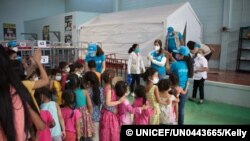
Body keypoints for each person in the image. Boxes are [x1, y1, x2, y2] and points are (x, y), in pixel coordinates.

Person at [0, 44, 45, 141]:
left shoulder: (18, 87)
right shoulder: (18, 90)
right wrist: (37, 62)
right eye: (13, 57)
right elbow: (40, 125)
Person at [166, 46, 193, 125]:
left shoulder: (175, 65)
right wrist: (172, 58)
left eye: (178, 53)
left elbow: (168, 70)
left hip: (174, 89)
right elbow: (178, 65)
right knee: (181, 109)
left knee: (171, 107)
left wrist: (167, 59)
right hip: (183, 89)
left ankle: (170, 121)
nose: (176, 54)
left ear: (182, 56)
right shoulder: (189, 65)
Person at [100, 69, 126, 141]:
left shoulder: (106, 86)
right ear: (111, 78)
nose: (116, 77)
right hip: (109, 115)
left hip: (108, 113)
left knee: (107, 132)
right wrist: (119, 101)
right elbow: (108, 103)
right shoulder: (109, 89)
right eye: (115, 76)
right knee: (111, 132)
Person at [67, 74, 94, 140]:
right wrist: (89, 114)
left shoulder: (69, 93)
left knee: (77, 132)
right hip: (84, 114)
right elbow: (90, 105)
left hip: (74, 115)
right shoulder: (85, 91)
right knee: (86, 133)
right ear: (79, 83)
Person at [83, 71, 103, 141]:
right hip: (97, 117)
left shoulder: (85, 91)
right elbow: (102, 103)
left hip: (86, 118)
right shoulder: (100, 90)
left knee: (87, 138)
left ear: (88, 82)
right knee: (95, 137)